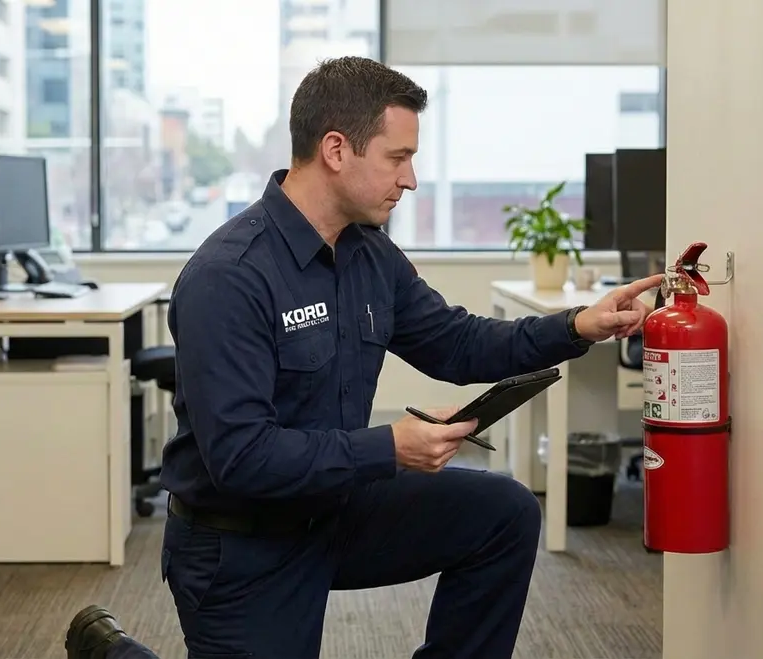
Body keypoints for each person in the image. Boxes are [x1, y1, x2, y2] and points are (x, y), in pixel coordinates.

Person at [65, 55, 662, 659]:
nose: (411, 179)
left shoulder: (370, 255)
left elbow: (458, 343)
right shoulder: (229, 277)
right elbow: (242, 459)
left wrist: (578, 325)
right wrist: (390, 447)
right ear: (335, 150)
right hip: (243, 543)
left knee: (504, 513)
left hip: (337, 508)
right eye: (397, 158)